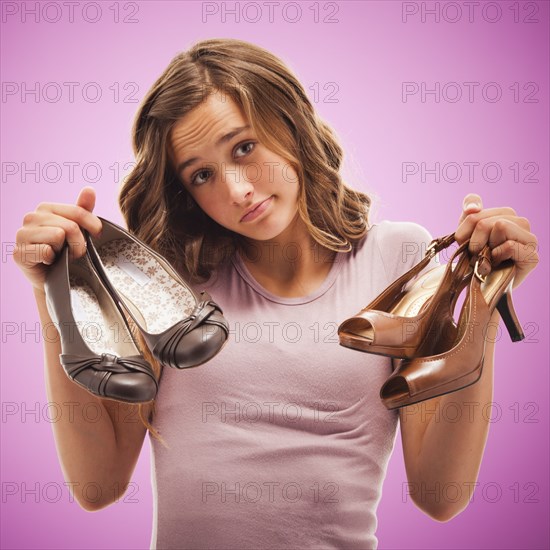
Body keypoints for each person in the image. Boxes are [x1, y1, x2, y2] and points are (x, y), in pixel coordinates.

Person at [13, 38, 539, 549]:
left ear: (289, 122)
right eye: (202, 175)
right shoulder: (170, 287)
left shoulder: (398, 258)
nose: (237, 189)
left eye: (245, 147)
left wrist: (480, 298)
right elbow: (97, 487)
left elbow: (438, 495)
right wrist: (55, 294)